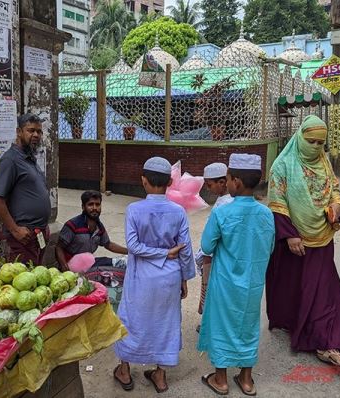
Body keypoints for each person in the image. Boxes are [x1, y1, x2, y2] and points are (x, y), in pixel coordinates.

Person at [266, 115, 340, 367]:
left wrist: (336, 205)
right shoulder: (282, 166)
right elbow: (277, 203)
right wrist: (289, 234)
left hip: (322, 236)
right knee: (294, 288)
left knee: (321, 289)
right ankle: (295, 324)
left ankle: (325, 340)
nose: (314, 146)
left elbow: (334, 189)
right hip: (293, 239)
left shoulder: (323, 162)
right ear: (300, 137)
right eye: (309, 140)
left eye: (319, 143)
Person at [113, 157, 195, 393]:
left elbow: (133, 246)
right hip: (170, 276)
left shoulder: (134, 210)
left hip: (140, 276)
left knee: (131, 318)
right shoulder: (178, 211)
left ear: (143, 181)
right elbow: (185, 249)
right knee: (166, 322)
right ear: (170, 182)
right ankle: (160, 375)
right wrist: (184, 277)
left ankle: (125, 370)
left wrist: (160, 253)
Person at [198, 153, 275, 396]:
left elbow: (207, 246)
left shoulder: (223, 213)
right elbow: (269, 247)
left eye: (229, 178)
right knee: (248, 325)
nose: (227, 183)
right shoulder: (267, 214)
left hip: (225, 281)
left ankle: (220, 379)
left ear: (237, 182)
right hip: (252, 283)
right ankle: (246, 379)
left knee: (221, 325)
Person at [0, 113, 51, 265]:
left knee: (37, 280)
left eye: (39, 131)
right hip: (24, 236)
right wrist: (15, 230)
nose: (36, 135)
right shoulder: (10, 160)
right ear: (19, 132)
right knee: (24, 281)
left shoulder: (30, 158)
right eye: (31, 131)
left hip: (38, 234)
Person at [196, 163, 234, 322]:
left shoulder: (227, 203)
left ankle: (212, 325)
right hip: (210, 254)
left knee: (214, 291)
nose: (207, 188)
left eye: (209, 184)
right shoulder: (221, 200)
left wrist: (206, 255)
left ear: (222, 182)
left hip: (214, 256)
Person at [56, 190, 127, 271]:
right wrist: (64, 265)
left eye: (97, 204)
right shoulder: (72, 225)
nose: (94, 208)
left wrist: (130, 252)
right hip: (71, 268)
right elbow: (59, 247)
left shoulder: (99, 227)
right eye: (90, 204)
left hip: (87, 265)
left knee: (112, 264)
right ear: (83, 207)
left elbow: (108, 244)